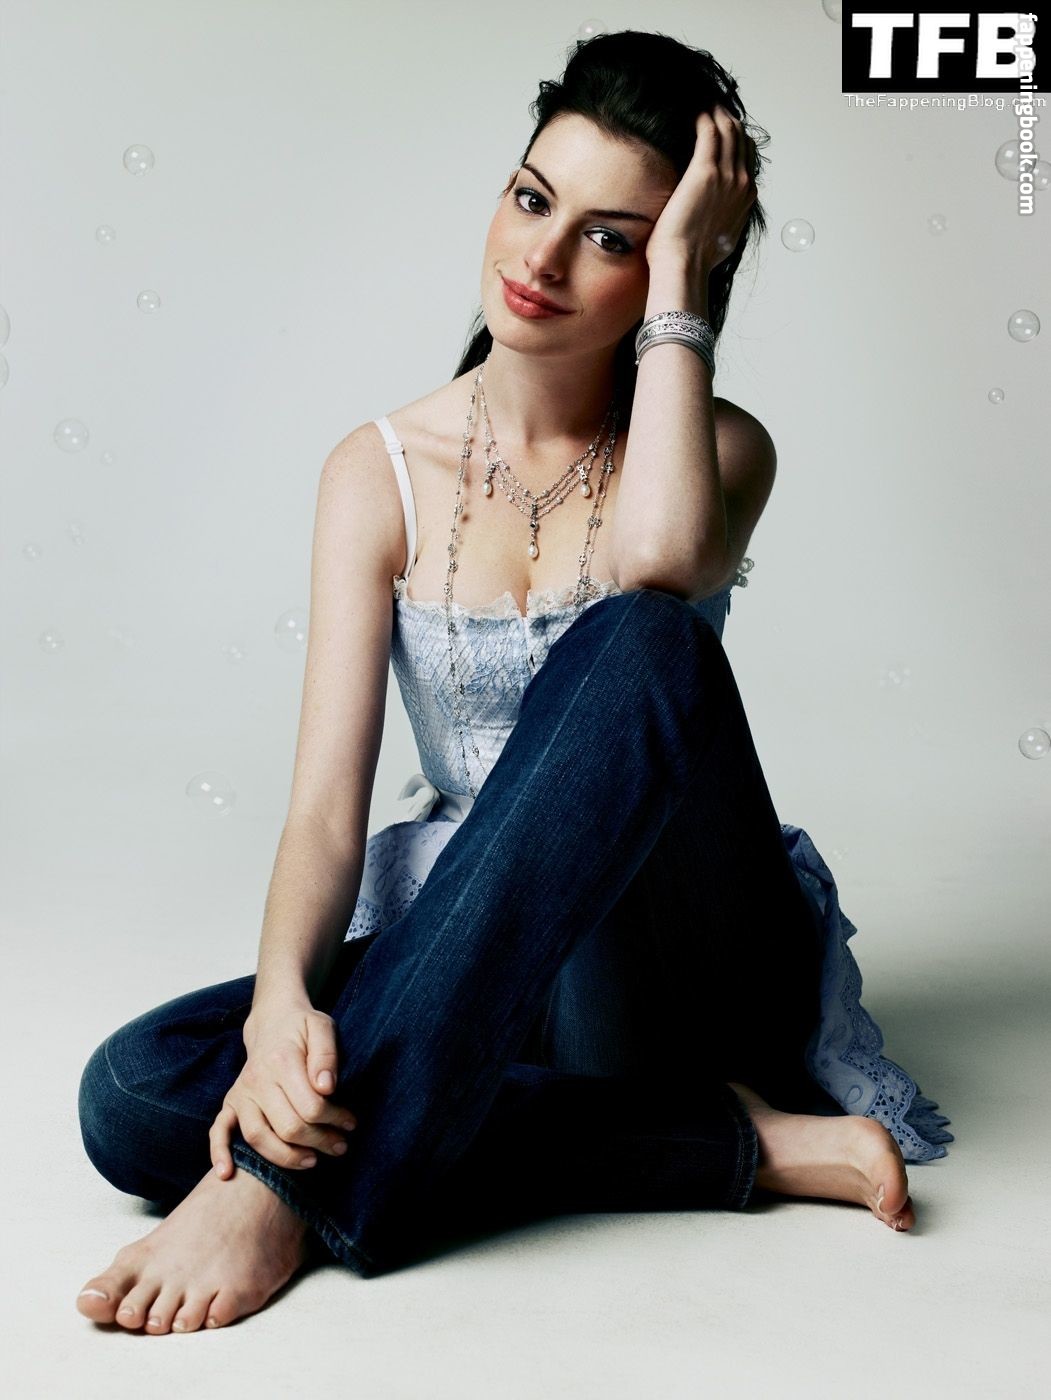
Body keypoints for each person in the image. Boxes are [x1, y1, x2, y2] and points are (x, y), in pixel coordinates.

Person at [75, 29, 952, 1336]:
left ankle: (282, 1193)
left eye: (611, 238)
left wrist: (685, 285)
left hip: (688, 963)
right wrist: (278, 1013)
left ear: (673, 267)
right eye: (533, 199)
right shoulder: (376, 472)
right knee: (136, 1093)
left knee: (645, 638)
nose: (539, 259)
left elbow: (660, 567)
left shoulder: (718, 452)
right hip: (494, 972)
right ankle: (740, 1146)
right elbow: (325, 813)